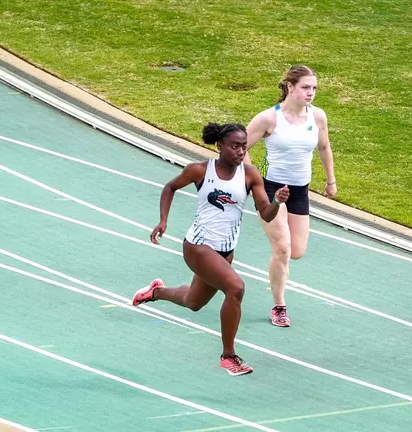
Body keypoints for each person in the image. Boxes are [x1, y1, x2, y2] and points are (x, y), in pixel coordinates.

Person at [132, 122, 289, 376]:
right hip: (198, 246)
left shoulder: (250, 175)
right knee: (236, 288)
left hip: (226, 251)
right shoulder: (200, 171)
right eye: (235, 146)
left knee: (193, 302)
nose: (240, 151)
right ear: (220, 146)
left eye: (244, 147)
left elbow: (267, 214)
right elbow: (170, 187)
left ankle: (156, 292)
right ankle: (229, 356)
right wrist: (163, 220)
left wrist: (277, 202)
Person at [243, 65, 336, 327]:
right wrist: (254, 180)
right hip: (272, 188)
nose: (311, 93)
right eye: (306, 87)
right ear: (290, 87)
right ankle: (279, 306)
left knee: (296, 251)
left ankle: (278, 266)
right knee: (282, 248)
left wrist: (331, 181)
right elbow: (241, 147)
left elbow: (324, 146)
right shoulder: (268, 118)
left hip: (299, 190)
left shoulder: (317, 117)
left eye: (314, 88)